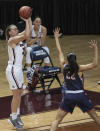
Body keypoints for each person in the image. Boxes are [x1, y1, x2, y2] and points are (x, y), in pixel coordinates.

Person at [50, 28, 100, 131]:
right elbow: (95, 64)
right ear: (75, 60)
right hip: (80, 95)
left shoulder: (64, 66)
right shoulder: (79, 68)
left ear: (67, 60)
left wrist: (56, 38)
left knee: (56, 120)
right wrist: (95, 49)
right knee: (95, 116)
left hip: (69, 96)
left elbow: (59, 51)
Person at [5, 17, 32, 129]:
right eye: (14, 29)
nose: (16, 30)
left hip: (18, 69)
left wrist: (29, 18)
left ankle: (17, 115)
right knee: (16, 95)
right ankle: (13, 117)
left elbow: (28, 32)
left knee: (19, 93)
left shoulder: (17, 38)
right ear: (9, 32)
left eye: (17, 29)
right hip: (13, 70)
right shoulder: (11, 40)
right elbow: (26, 35)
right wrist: (26, 21)